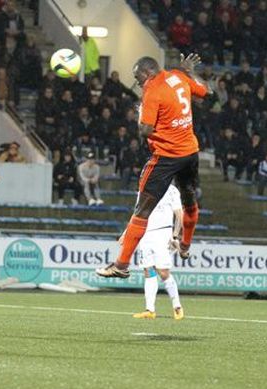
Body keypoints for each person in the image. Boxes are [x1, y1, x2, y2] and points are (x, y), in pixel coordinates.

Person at [96, 54, 210, 279]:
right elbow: (205, 92)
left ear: (148, 73)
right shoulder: (178, 77)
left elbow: (145, 130)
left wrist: (140, 112)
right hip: (189, 153)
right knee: (189, 201)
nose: (136, 81)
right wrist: (188, 72)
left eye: (138, 76)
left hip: (165, 158)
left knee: (142, 210)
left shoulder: (153, 91)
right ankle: (186, 246)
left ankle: (121, 264)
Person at [129, 184, 184, 320]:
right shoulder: (144, 188)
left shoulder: (171, 190)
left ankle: (177, 306)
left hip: (162, 233)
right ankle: (150, 310)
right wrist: (127, 232)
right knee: (148, 271)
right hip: (145, 234)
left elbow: (179, 214)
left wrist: (175, 235)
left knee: (163, 271)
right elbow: (137, 213)